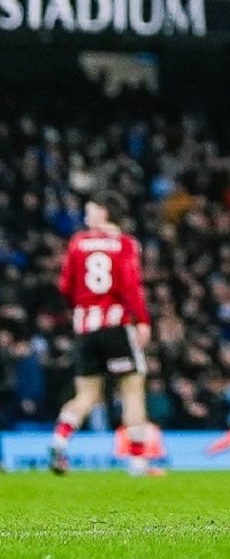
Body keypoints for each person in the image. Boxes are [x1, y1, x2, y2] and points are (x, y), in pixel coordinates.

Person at [49, 190, 156, 475]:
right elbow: (129, 285)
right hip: (116, 325)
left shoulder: (77, 242)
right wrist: (142, 319)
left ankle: (59, 440)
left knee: (86, 394)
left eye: (90, 210)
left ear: (105, 212)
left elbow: (65, 286)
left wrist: (82, 310)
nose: (86, 216)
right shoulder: (125, 244)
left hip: (85, 327)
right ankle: (137, 461)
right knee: (132, 389)